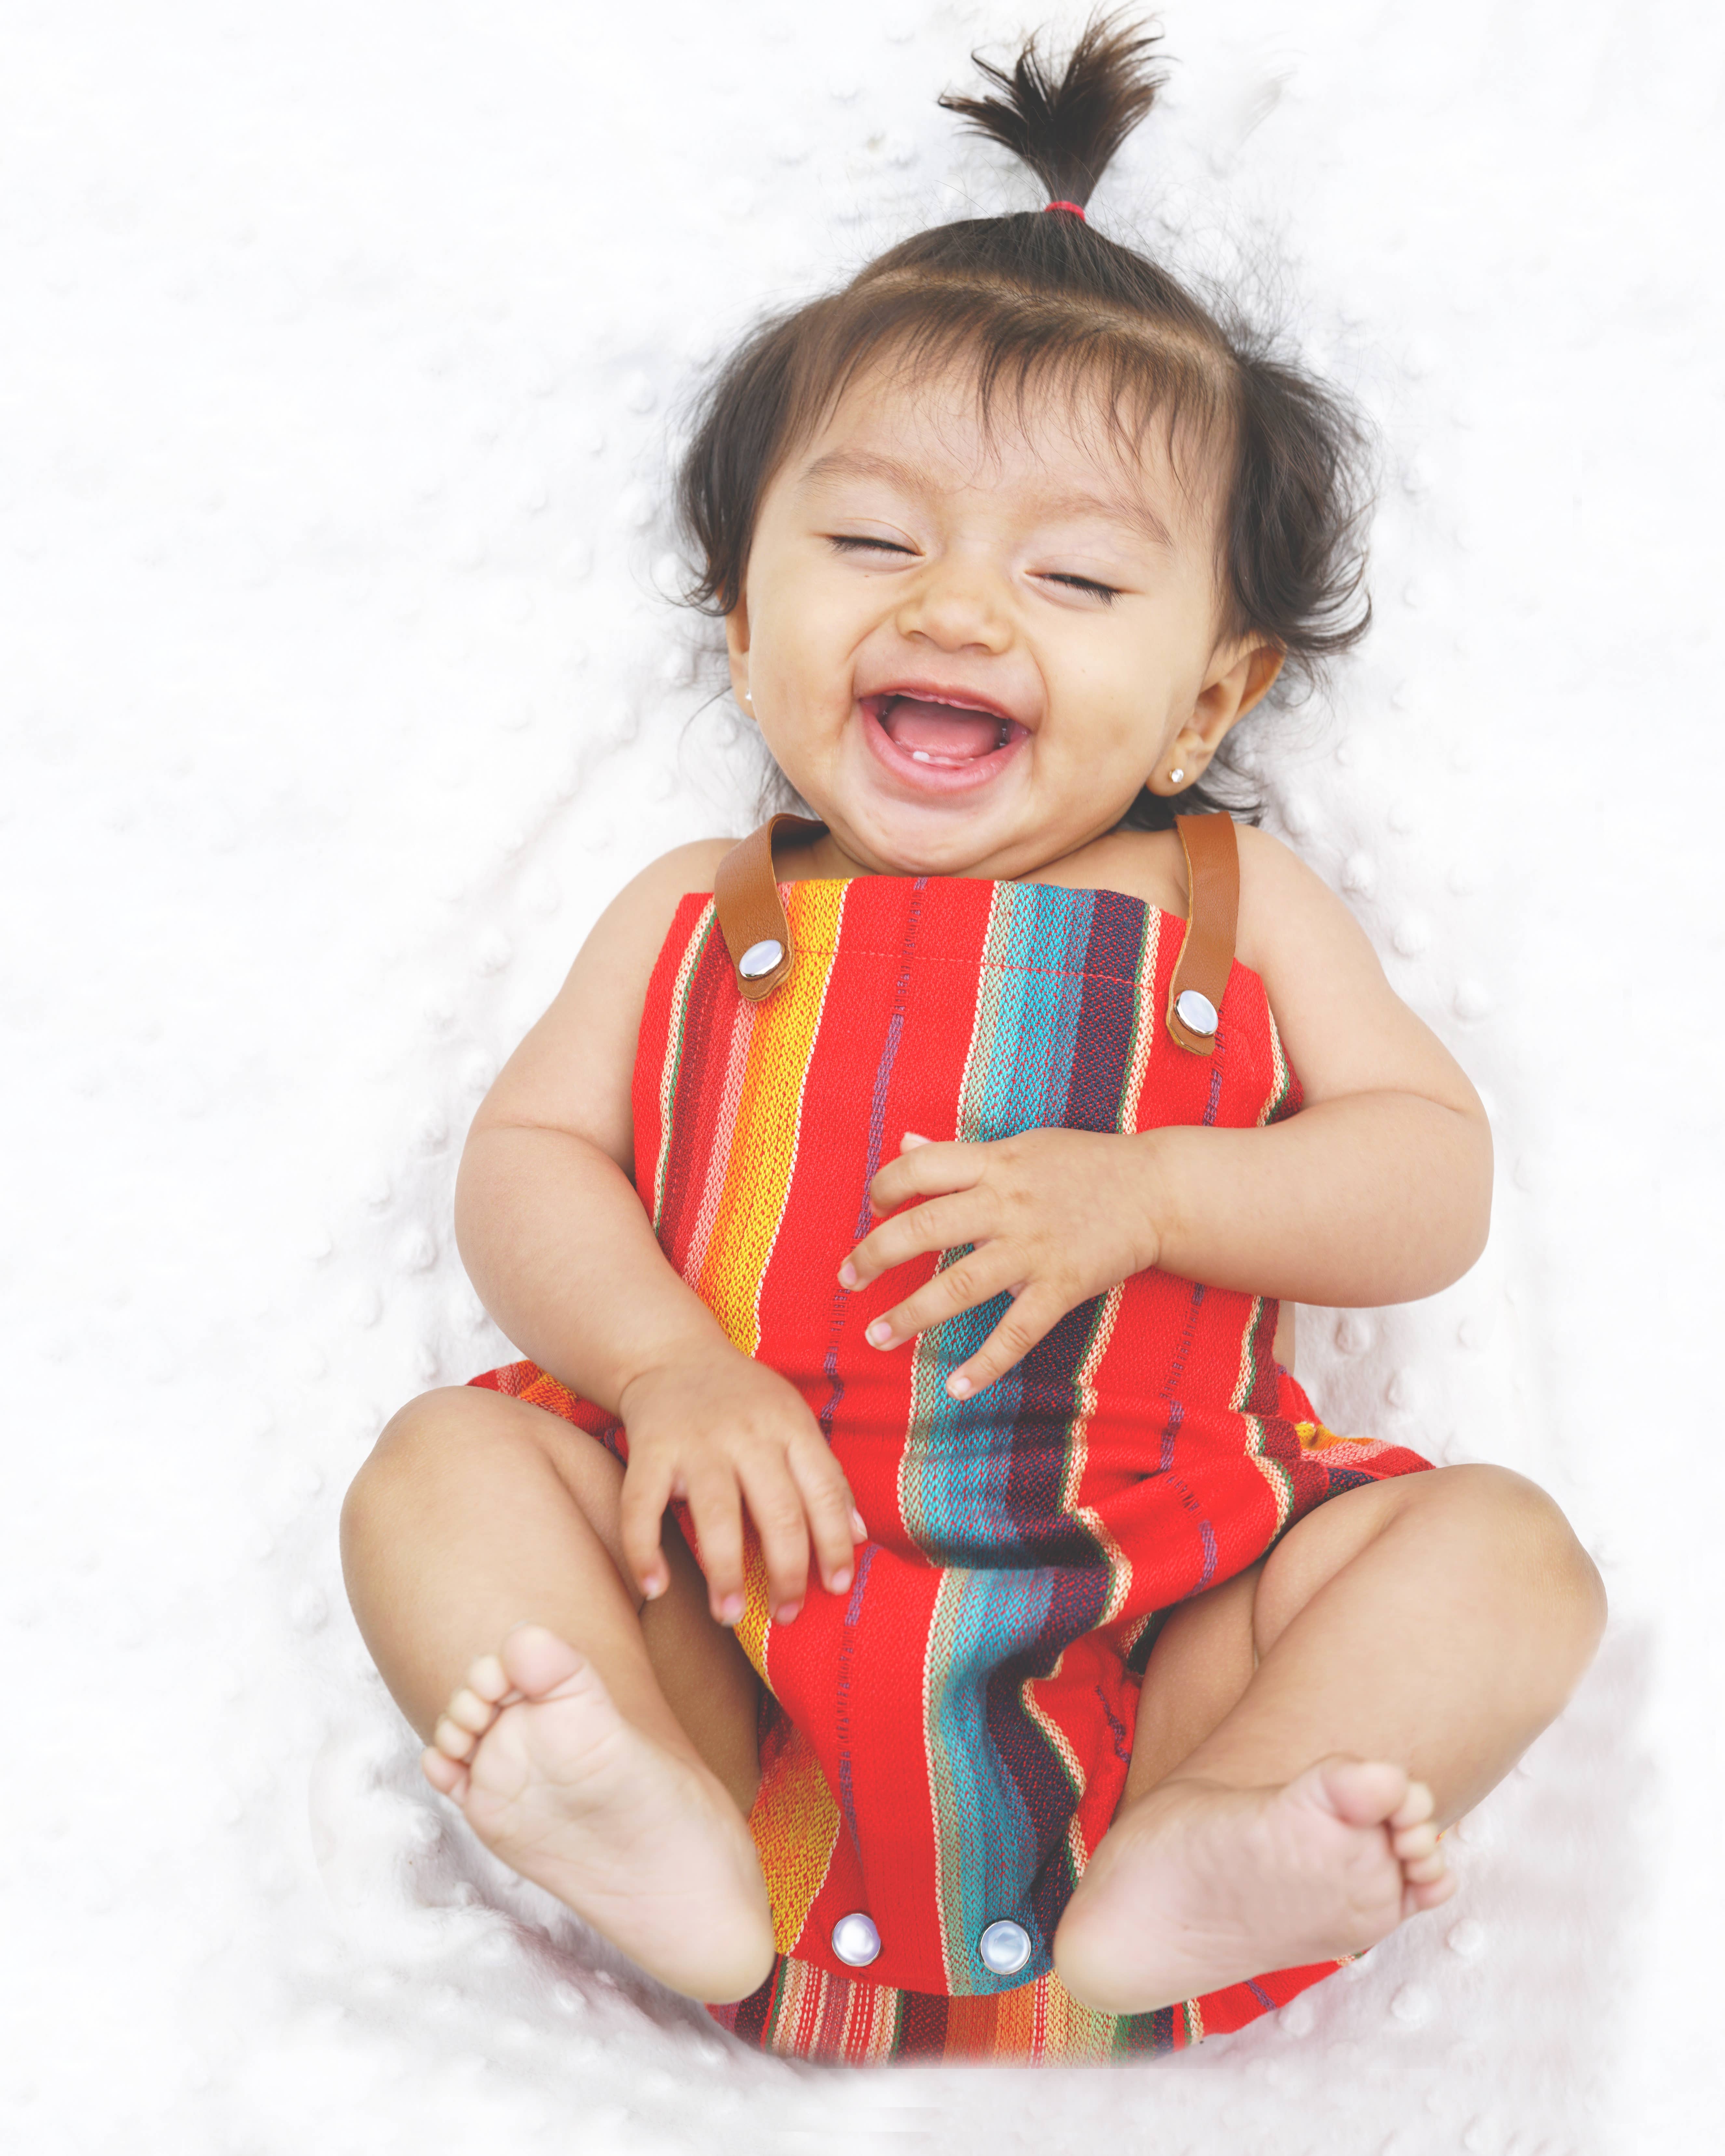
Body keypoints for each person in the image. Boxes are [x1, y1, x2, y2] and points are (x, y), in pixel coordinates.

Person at [340, 14, 1606, 2065]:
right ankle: (650, 1817)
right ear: (743, 627)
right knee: (439, 1469)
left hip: (1156, 1627)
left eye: (1076, 575)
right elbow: (530, 1162)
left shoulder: (1225, 904)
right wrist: (663, 1367)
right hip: (739, 1614)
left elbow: (1425, 1180)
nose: (953, 609)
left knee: (1508, 1558)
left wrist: (1158, 1193)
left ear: (1208, 702)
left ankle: (1217, 1829)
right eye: (868, 543)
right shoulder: (701, 910)